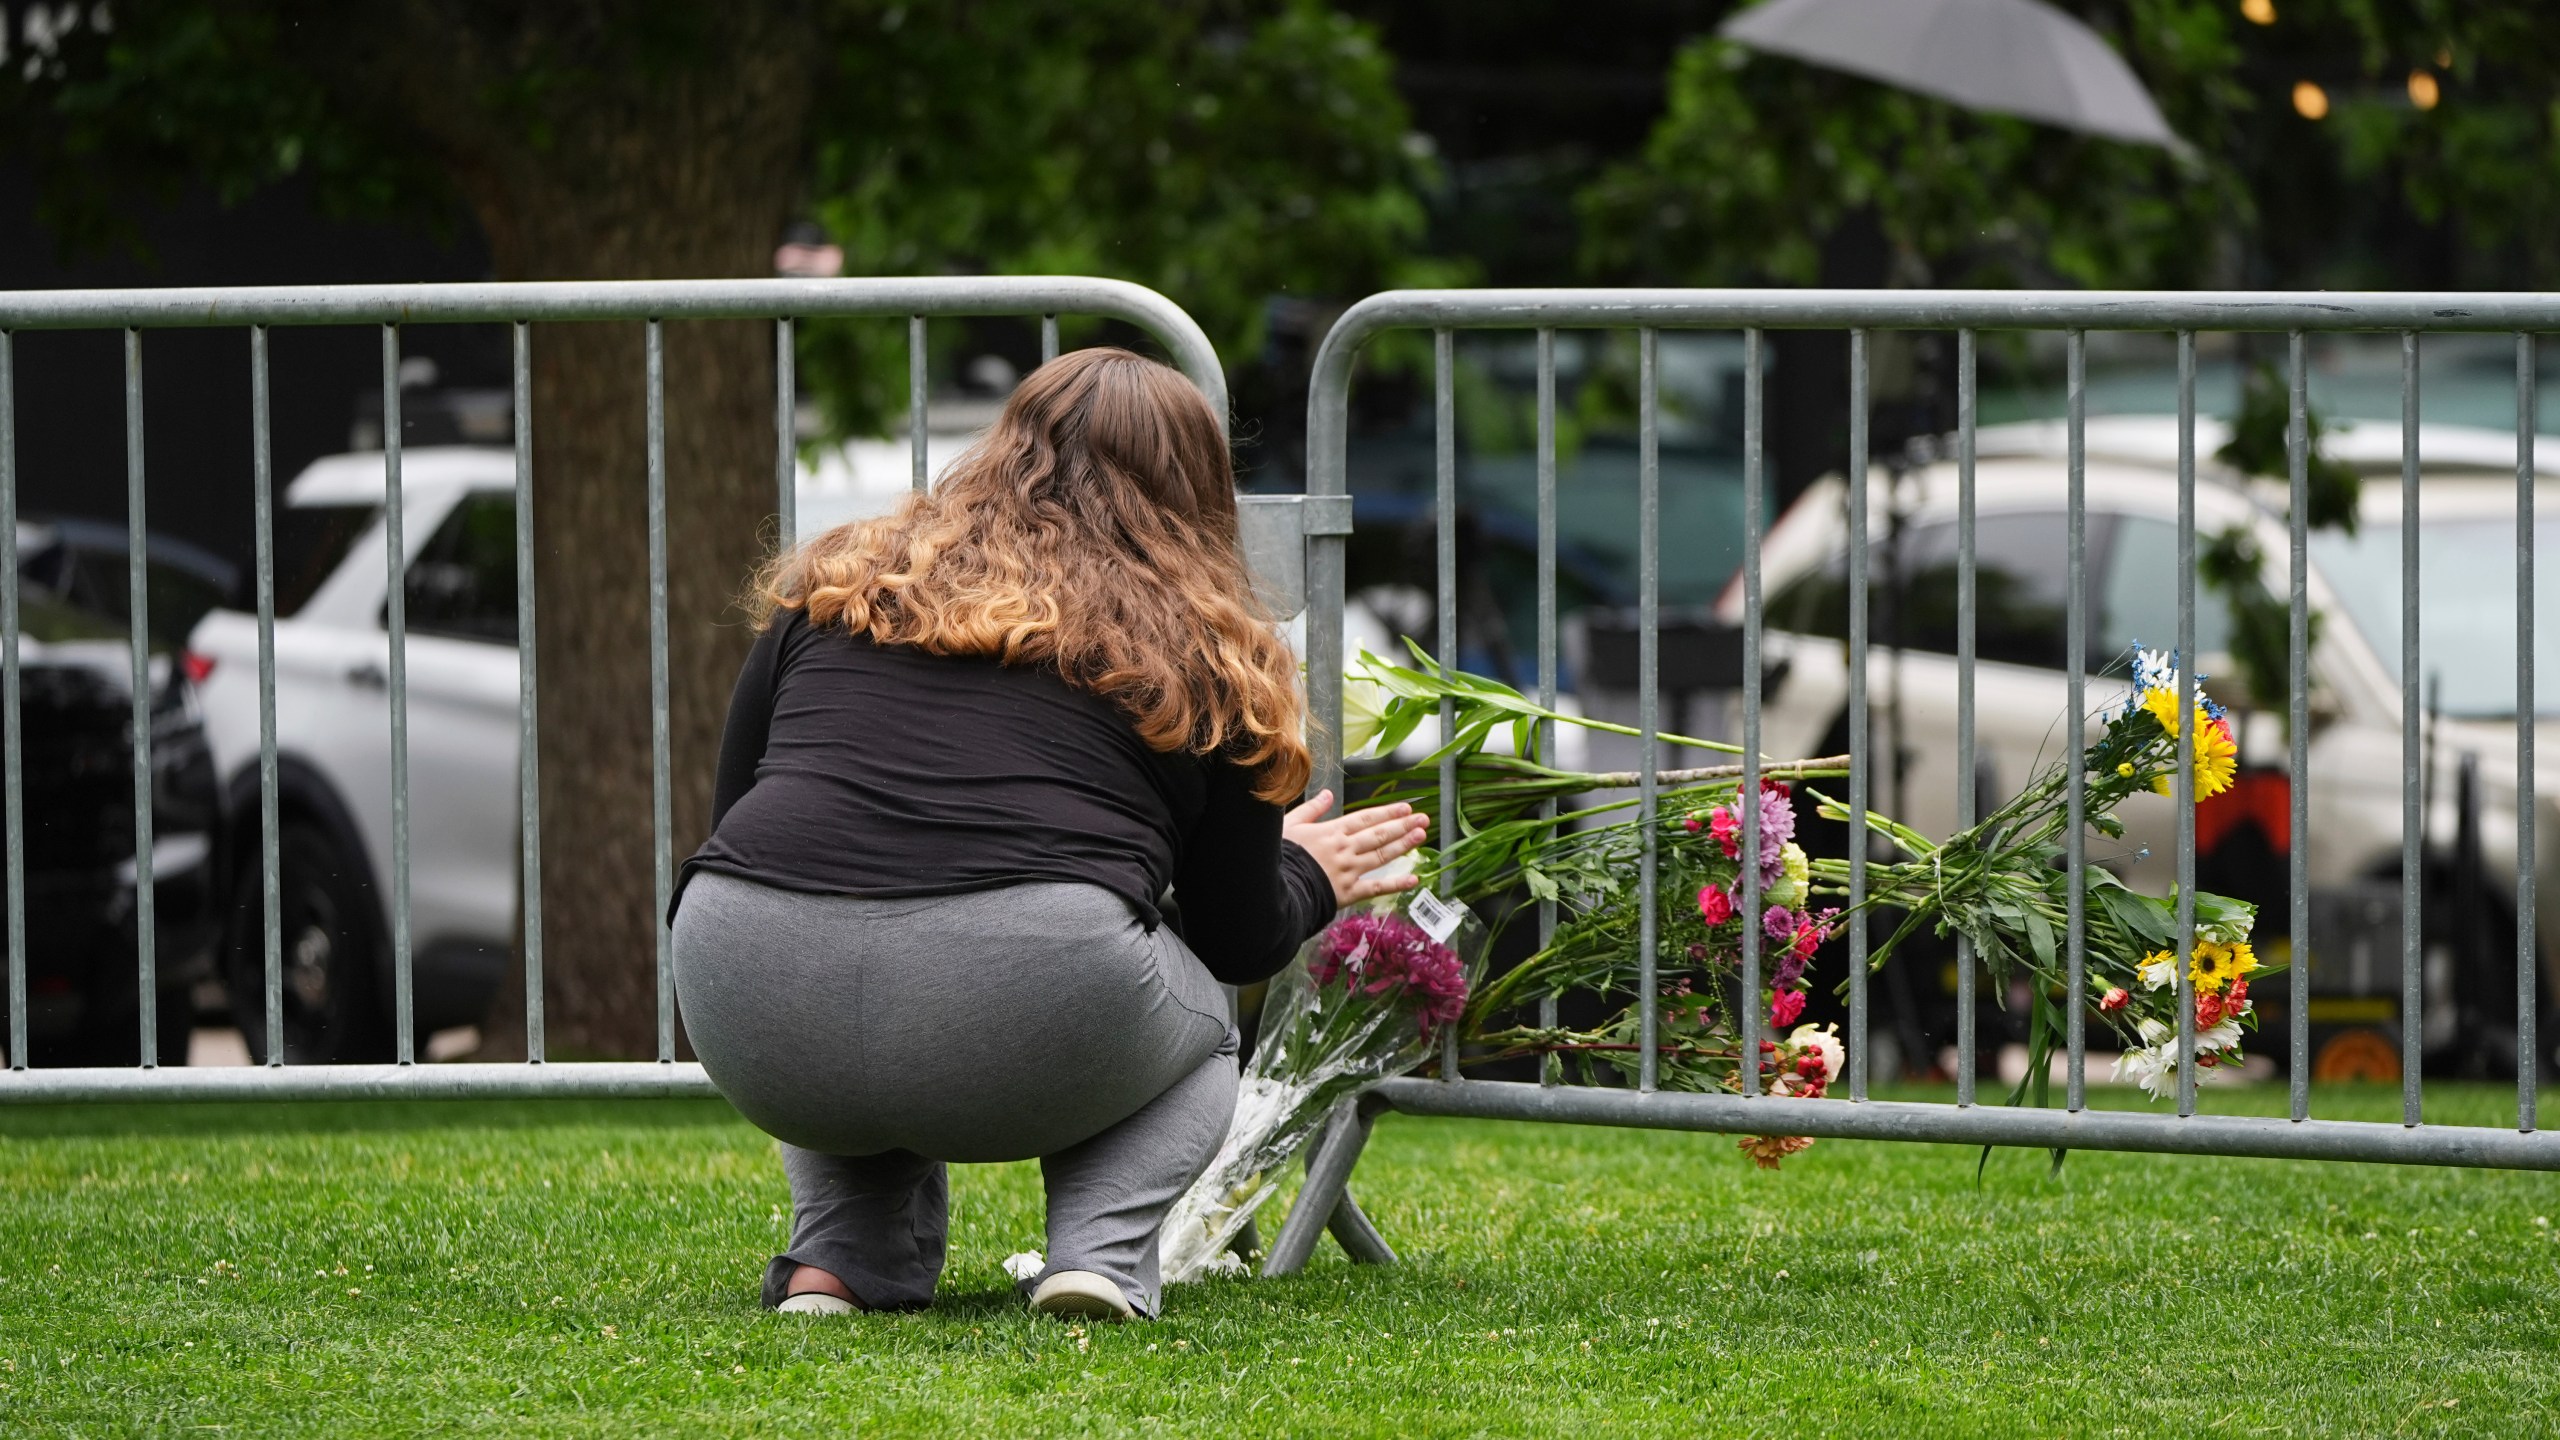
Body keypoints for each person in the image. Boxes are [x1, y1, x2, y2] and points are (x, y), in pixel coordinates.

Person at [671, 346, 1427, 1322]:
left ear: (1005, 446)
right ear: (1199, 487)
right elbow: (1235, 938)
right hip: (1021, 985)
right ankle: (1099, 1262)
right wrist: (1308, 877)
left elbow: (740, 821)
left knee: (855, 929)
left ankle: (836, 1267)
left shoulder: (838, 580)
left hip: (743, 984)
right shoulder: (1212, 645)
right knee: (1196, 1031)